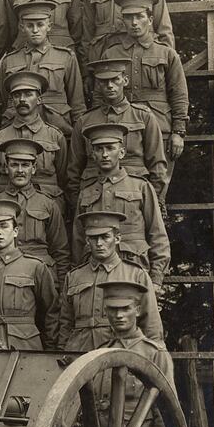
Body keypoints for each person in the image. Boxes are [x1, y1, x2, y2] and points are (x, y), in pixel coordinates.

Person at [102, 0, 188, 181]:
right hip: (122, 129)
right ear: (122, 20)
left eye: (139, 17)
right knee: (125, 186)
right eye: (129, 17)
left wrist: (178, 132)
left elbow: (179, 94)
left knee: (159, 183)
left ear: (150, 19)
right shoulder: (111, 54)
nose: (134, 23)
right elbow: (101, 95)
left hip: (160, 127)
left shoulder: (167, 54)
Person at [72, 123, 170, 286]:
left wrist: (156, 279)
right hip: (94, 273)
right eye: (99, 149)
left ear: (122, 152)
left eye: (110, 148)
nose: (104, 154)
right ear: (93, 154)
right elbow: (78, 239)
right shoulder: (86, 193)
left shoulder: (141, 187)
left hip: (134, 270)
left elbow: (157, 233)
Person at [58, 210, 163, 351]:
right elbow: (65, 323)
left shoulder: (135, 275)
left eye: (105, 237)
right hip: (79, 353)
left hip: (118, 353)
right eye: (94, 238)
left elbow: (151, 324)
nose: (99, 243)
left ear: (117, 238)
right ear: (87, 241)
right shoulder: (74, 277)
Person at [68, 59, 167, 197]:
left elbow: (157, 164)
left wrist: (154, 200)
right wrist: (77, 203)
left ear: (125, 81)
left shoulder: (143, 116)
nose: (110, 85)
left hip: (135, 195)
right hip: (94, 195)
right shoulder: (84, 121)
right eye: (103, 81)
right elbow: (74, 169)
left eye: (115, 79)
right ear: (97, 85)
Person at [0, 199, 58, 349]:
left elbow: (51, 312)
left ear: (15, 231)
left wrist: (49, 351)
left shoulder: (35, 267)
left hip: (25, 347)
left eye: (4, 226)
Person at [0, 138, 70, 281]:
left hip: (40, 276)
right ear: (5, 167)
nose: (20, 171)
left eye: (25, 165)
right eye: (14, 165)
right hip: (2, 275)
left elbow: (61, 251)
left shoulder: (48, 204)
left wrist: (59, 286)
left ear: (34, 168)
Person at [0, 0, 83, 136]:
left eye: (40, 25)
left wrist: (79, 136)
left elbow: (77, 103)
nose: (35, 30)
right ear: (21, 27)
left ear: (49, 26)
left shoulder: (65, 57)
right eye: (30, 25)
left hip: (58, 128)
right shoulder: (10, 60)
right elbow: (3, 100)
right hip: (18, 130)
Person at [0, 71, 69, 198]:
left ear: (39, 100)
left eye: (28, 95)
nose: (22, 99)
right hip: (7, 203)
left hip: (47, 202)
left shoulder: (55, 136)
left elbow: (64, 177)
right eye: (16, 95)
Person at [99, 279, 173, 386]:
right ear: (106, 312)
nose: (119, 315)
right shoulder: (102, 351)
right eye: (113, 309)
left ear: (137, 310)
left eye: (125, 309)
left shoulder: (155, 353)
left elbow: (168, 399)